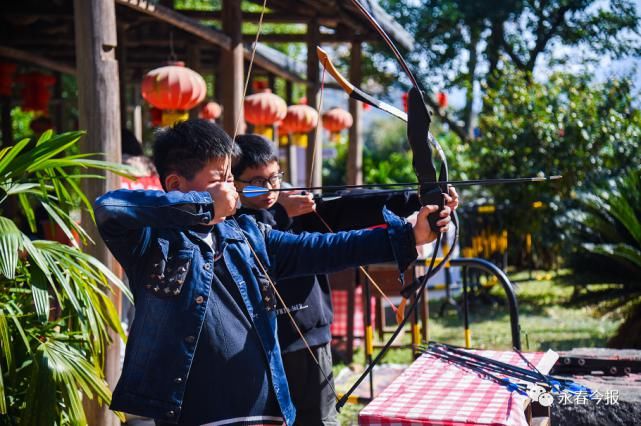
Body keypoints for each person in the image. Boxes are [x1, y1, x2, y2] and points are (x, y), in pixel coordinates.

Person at [94, 119, 453, 426]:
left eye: (231, 177)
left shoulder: (248, 234)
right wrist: (205, 205)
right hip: (194, 412)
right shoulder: (151, 241)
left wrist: (410, 235)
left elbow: (328, 248)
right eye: (220, 178)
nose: (232, 188)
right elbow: (111, 208)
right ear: (175, 185)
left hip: (263, 409)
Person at [232, 134, 459, 426]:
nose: (269, 188)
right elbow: (255, 245)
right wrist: (280, 212)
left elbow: (351, 207)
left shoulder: (298, 208)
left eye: (275, 178)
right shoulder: (229, 223)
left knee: (319, 419)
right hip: (255, 347)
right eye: (257, 182)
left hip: (308, 340)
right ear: (234, 184)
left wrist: (416, 199)